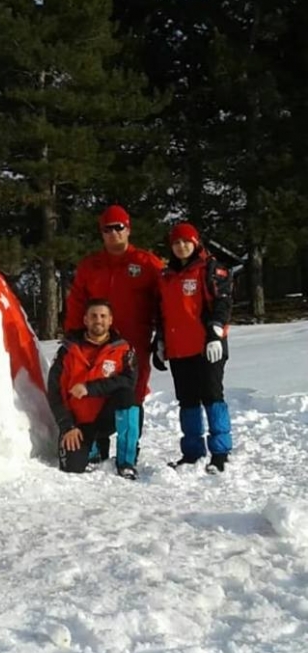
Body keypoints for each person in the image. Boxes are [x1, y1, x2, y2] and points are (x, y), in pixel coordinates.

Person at [64, 206, 164, 430]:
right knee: (92, 387)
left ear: (128, 229)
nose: (113, 233)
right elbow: (77, 302)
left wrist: (163, 336)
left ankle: (128, 453)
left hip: (134, 340)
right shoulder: (91, 266)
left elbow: (166, 299)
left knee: (133, 391)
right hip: (96, 341)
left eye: (119, 227)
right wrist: (72, 334)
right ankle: (95, 442)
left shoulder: (147, 263)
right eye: (107, 229)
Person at [155, 222, 233, 472]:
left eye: (186, 241)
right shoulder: (166, 276)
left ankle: (220, 452)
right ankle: (192, 452)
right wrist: (160, 342)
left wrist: (216, 332)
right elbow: (163, 313)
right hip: (178, 349)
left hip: (206, 347)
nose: (181, 246)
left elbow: (223, 302)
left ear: (195, 242)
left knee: (212, 397)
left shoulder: (209, 269)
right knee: (187, 401)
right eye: (176, 243)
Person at [47, 298, 140, 480]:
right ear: (85, 320)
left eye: (103, 316)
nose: (99, 320)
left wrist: (90, 388)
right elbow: (55, 392)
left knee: (128, 397)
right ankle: (94, 448)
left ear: (111, 320)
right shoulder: (67, 351)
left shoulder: (123, 350)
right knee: (72, 467)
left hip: (107, 417)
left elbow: (129, 381)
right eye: (94, 316)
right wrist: (67, 426)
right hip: (78, 423)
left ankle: (126, 462)